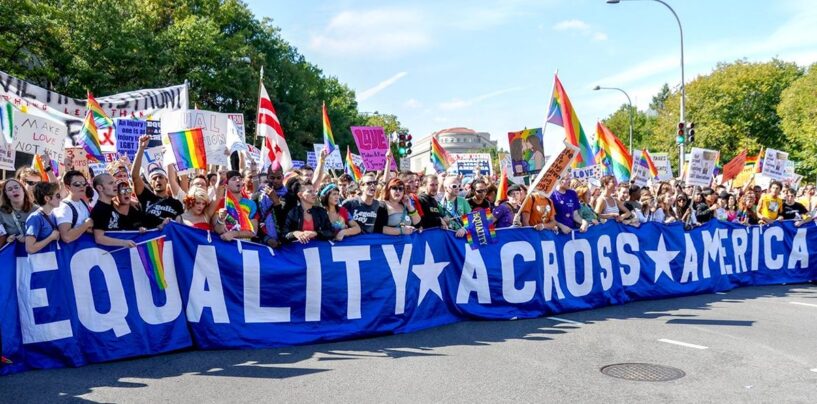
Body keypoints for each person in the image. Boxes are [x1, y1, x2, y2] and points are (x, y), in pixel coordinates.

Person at [132, 135, 184, 228]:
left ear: (166, 180)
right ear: (150, 183)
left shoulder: (176, 204)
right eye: (154, 179)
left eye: (160, 177)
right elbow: (135, 176)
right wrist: (141, 148)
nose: (158, 180)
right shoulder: (146, 197)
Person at [90, 174, 137, 248]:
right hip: (108, 254)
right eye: (111, 183)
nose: (115, 186)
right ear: (100, 188)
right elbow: (99, 238)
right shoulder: (99, 209)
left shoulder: (111, 204)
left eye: (115, 183)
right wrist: (124, 243)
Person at [213, 170, 259, 241]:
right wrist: (220, 219)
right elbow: (218, 230)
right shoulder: (220, 203)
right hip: (224, 245)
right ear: (226, 185)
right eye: (234, 179)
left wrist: (234, 234)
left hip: (244, 247)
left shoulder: (251, 204)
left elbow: (253, 232)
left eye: (240, 179)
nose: (238, 180)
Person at [54, 170, 93, 243]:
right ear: (68, 187)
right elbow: (66, 237)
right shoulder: (64, 207)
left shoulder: (83, 203)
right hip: (71, 252)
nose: (82, 186)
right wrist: (86, 225)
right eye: (77, 184)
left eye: (84, 184)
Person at [24, 182, 61, 254]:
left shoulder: (53, 214)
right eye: (57, 195)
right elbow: (30, 248)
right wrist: (50, 238)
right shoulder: (35, 218)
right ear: (47, 198)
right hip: (42, 263)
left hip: (53, 260)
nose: (61, 198)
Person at [0, 179, 39, 244]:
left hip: (36, 251)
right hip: (15, 252)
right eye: (10, 189)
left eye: (16, 187)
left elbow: (46, 232)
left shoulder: (37, 210)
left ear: (23, 190)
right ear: (6, 195)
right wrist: (7, 239)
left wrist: (28, 239)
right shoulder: (1, 212)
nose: (14, 190)